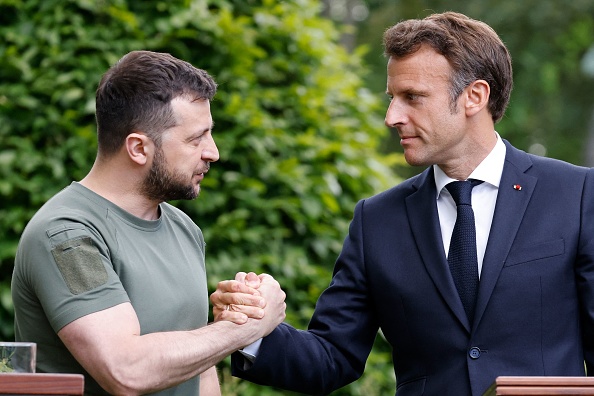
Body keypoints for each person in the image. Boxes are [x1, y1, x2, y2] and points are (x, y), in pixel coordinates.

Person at [210, 11, 594, 396]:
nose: (392, 116)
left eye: (413, 97)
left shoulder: (577, 194)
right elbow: (332, 355)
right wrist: (248, 331)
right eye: (393, 98)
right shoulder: (376, 220)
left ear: (474, 96)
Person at [11, 50, 286, 396]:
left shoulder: (184, 229)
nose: (213, 152)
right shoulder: (67, 236)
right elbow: (126, 371)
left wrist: (227, 326)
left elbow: (198, 369)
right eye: (195, 138)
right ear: (139, 148)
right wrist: (245, 328)